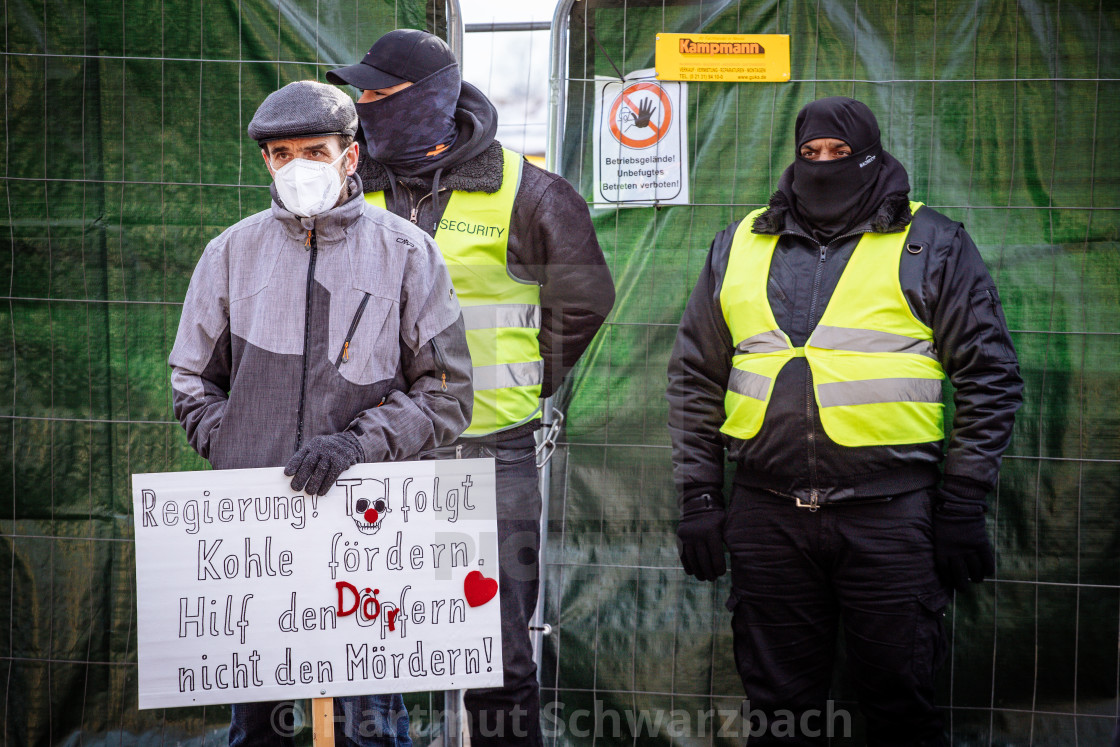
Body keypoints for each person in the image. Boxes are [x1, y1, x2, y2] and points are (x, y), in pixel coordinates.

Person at [666, 97, 1023, 745]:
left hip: (889, 520)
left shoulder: (931, 244)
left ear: (873, 156)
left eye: (841, 154)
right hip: (766, 516)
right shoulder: (738, 245)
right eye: (811, 154)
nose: (825, 166)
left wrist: (965, 501)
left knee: (898, 705)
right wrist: (699, 494)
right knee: (779, 711)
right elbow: (695, 377)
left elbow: (988, 376)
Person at [326, 29, 615, 746]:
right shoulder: (348, 190)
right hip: (371, 454)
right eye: (359, 94)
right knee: (364, 647)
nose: (363, 106)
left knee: (497, 658)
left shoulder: (529, 192)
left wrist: (524, 378)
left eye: (377, 94)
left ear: (428, 99)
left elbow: (584, 300)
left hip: (488, 458)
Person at [169, 79, 474, 747]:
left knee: (370, 730)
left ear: (351, 156)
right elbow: (191, 379)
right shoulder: (229, 254)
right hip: (256, 542)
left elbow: (448, 391)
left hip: (366, 534)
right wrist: (237, 446)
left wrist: (355, 446)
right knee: (258, 730)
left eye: (315, 149)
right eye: (282, 153)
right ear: (266, 162)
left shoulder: (406, 253)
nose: (298, 165)